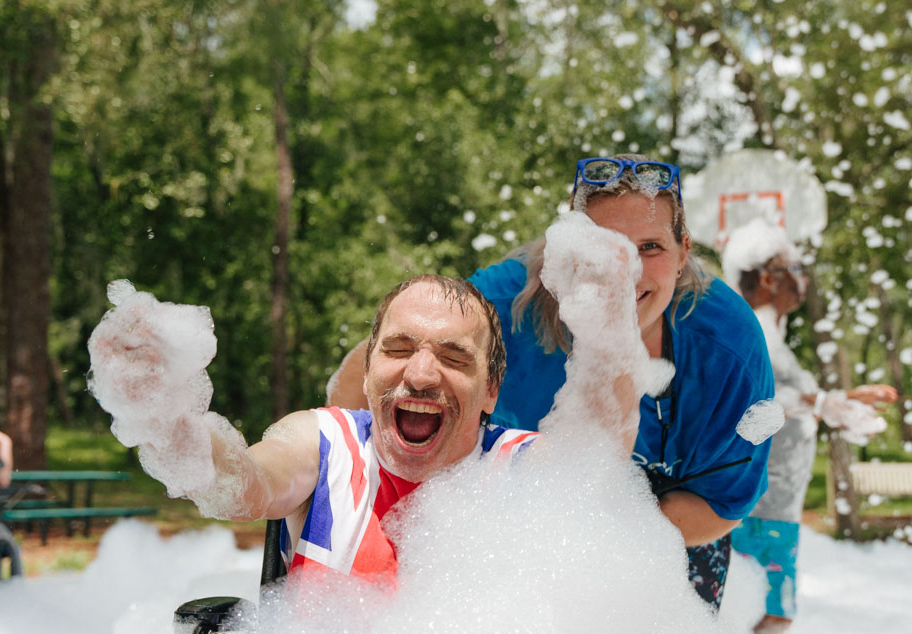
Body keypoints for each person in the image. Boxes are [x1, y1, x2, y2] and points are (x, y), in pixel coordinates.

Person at [88, 216, 654, 585]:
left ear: (491, 392)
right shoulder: (326, 442)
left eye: (454, 357)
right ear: (369, 370)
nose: (422, 374)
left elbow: (598, 465)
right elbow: (245, 482)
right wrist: (166, 417)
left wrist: (609, 336)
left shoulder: (519, 470)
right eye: (399, 348)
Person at [328, 155, 777, 610]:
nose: (626, 272)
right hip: (515, 515)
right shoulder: (500, 306)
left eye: (650, 248)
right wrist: (333, 480)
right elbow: (363, 379)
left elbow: (719, 506)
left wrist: (591, 544)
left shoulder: (729, 348)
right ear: (567, 251)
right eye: (605, 247)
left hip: (666, 528)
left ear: (683, 253)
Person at [722, 218, 896, 634]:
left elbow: (780, 403)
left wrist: (841, 400)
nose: (804, 279)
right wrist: (819, 402)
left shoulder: (771, 335)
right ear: (767, 278)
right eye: (795, 269)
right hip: (757, 507)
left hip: (773, 504)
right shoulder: (755, 330)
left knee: (765, 616)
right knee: (765, 617)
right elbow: (749, 409)